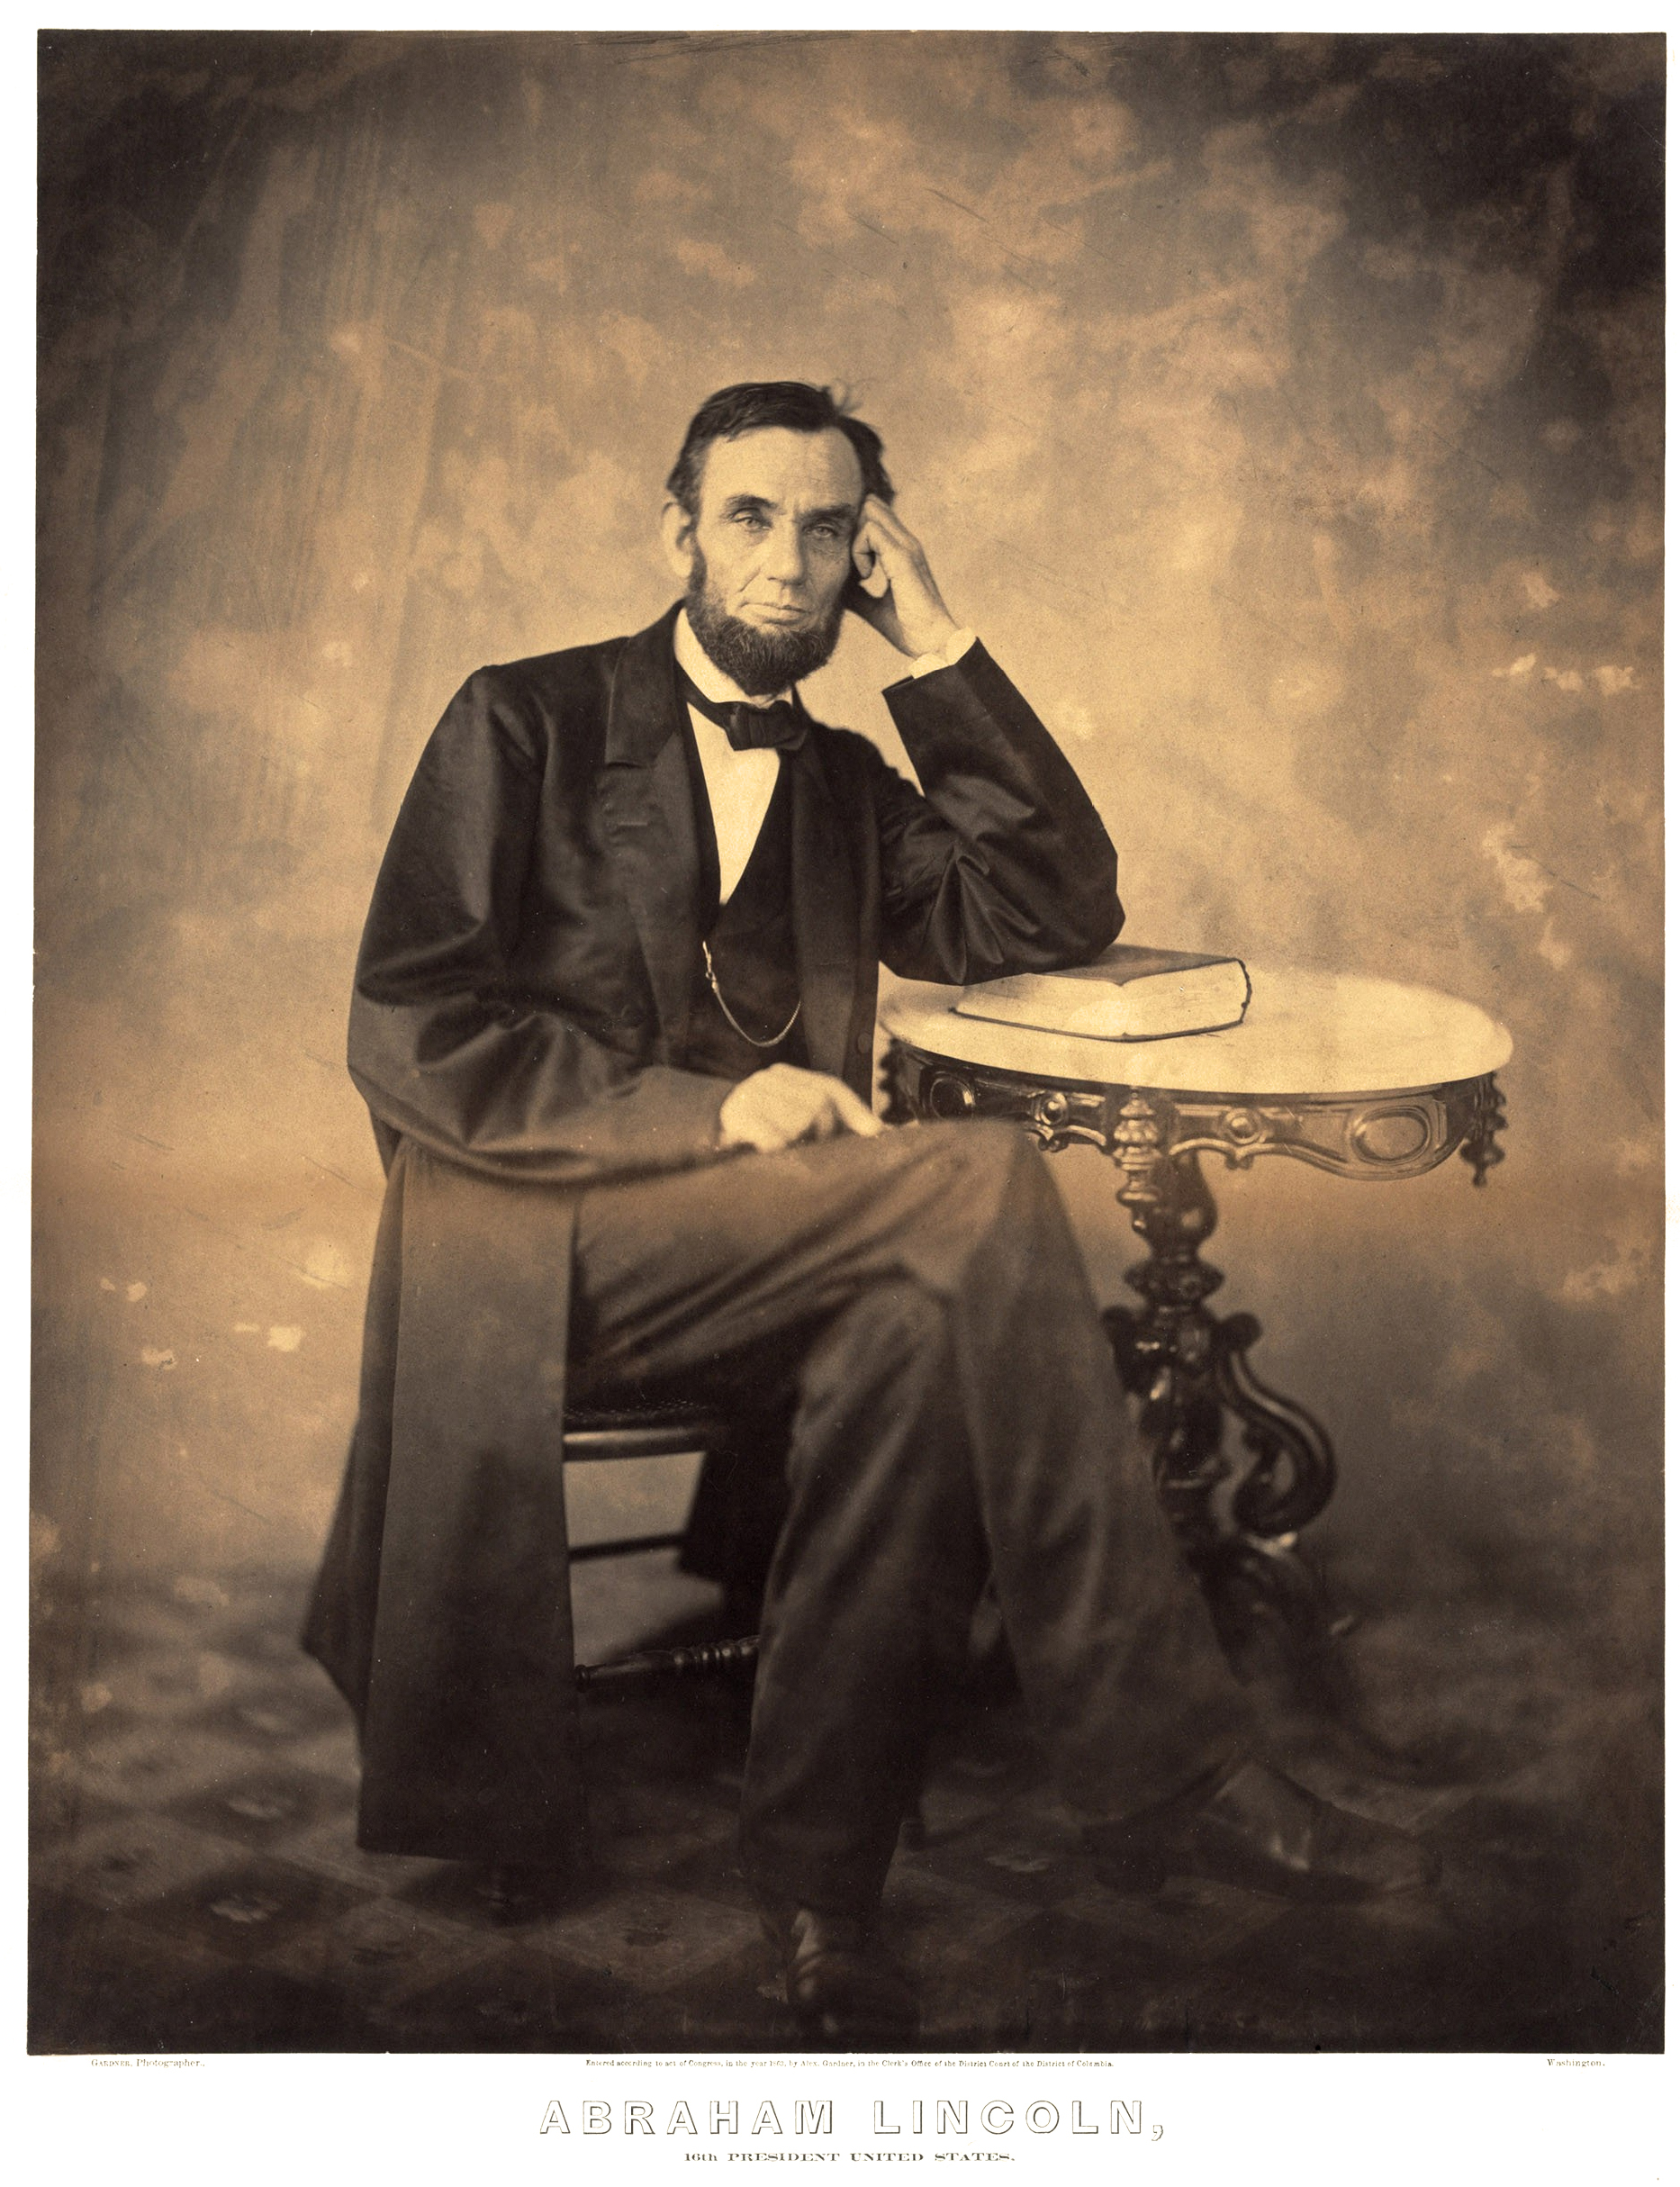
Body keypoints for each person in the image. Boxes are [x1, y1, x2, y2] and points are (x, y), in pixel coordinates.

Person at [303, 381, 1432, 2046]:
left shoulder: (840, 781)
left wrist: (942, 649)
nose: (787, 561)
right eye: (750, 518)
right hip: (541, 1249)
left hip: (777, 1254)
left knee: (914, 1328)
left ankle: (823, 1894)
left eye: (827, 531)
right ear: (678, 534)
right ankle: (1179, 1765)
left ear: (865, 558)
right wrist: (706, 1110)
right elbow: (410, 1024)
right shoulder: (523, 718)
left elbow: (1051, 905)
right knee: (977, 1176)